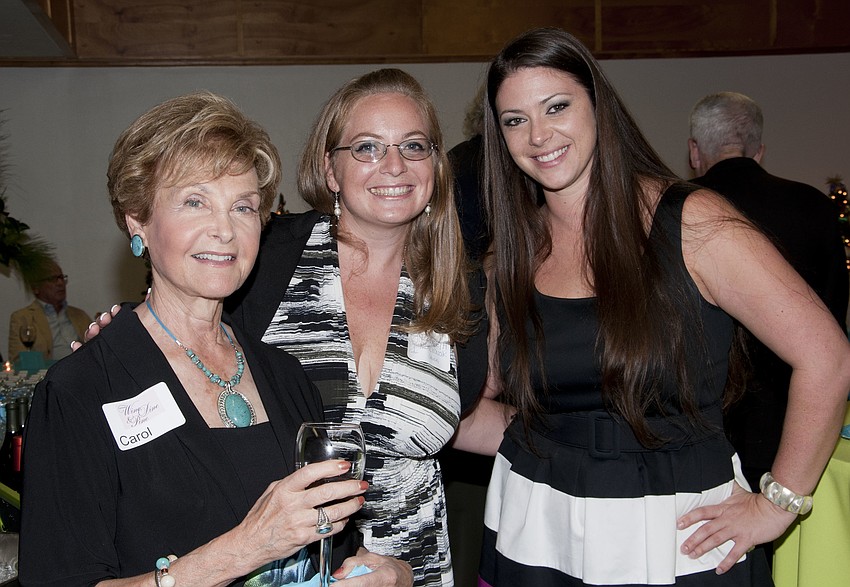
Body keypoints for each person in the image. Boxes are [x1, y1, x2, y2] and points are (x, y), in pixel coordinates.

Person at [477, 27, 850, 587]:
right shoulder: (512, 252)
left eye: (557, 106)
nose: (538, 135)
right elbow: (476, 403)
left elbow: (826, 356)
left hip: (673, 531)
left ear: (598, 106)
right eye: (515, 120)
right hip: (537, 524)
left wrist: (778, 503)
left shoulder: (691, 222)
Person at [20, 91, 412, 586]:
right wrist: (243, 550)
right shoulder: (82, 390)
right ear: (137, 219)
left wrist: (388, 572)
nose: (224, 230)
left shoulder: (286, 376)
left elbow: (330, 546)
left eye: (243, 207)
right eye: (194, 202)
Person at [226, 68, 498, 587]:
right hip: (274, 569)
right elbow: (183, 337)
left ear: (435, 166)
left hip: (412, 572)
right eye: (368, 148)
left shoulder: (457, 288)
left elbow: (471, 417)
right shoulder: (265, 258)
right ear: (331, 170)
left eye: (414, 146)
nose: (394, 165)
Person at [688, 91, 849, 492]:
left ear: (695, 152)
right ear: (759, 151)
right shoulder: (813, 205)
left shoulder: (678, 208)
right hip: (793, 414)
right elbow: (832, 315)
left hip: (701, 419)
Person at [8, 258, 90, 363]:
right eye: (52, 279)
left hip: (80, 372)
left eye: (61, 278)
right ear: (35, 288)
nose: (60, 283)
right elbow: (18, 361)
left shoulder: (80, 315)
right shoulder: (22, 318)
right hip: (46, 375)